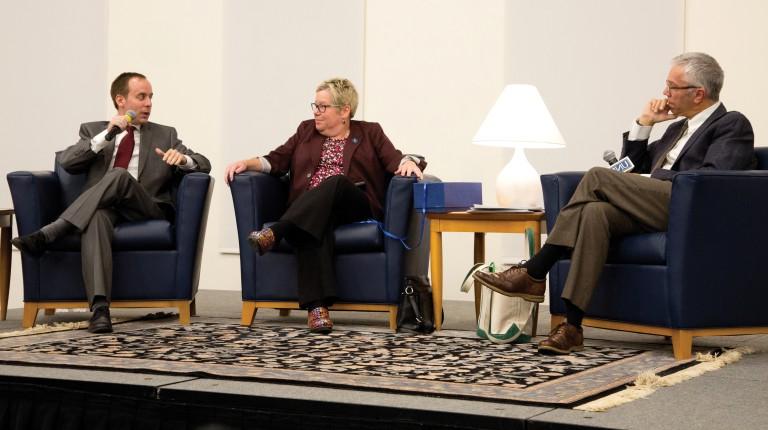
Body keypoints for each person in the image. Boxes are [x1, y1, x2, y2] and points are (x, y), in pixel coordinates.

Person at [473, 52, 754, 354]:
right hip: (656, 207)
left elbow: (710, 181)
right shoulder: (676, 129)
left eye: (672, 87)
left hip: (691, 211)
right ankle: (572, 326)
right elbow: (628, 169)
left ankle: (535, 270)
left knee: (597, 176)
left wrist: (651, 179)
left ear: (698, 93)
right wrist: (644, 125)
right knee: (595, 212)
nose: (664, 93)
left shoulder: (731, 124)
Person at [11, 72, 212, 334]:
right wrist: (107, 134)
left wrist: (184, 160)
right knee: (95, 218)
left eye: (151, 97)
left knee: (118, 175)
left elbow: (204, 164)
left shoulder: (166, 134)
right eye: (141, 97)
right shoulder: (94, 130)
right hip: (105, 207)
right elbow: (68, 162)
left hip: (145, 208)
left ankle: (53, 232)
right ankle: (100, 310)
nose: (149, 103)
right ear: (120, 100)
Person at [225, 77, 425, 333]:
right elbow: (277, 159)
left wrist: (409, 162)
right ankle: (317, 309)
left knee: (337, 182)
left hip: (354, 204)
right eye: (315, 106)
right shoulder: (305, 130)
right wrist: (247, 163)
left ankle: (278, 231)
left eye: (322, 107)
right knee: (312, 224)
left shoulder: (370, 132)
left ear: (344, 111)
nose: (315, 112)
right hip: (312, 209)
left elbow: (395, 159)